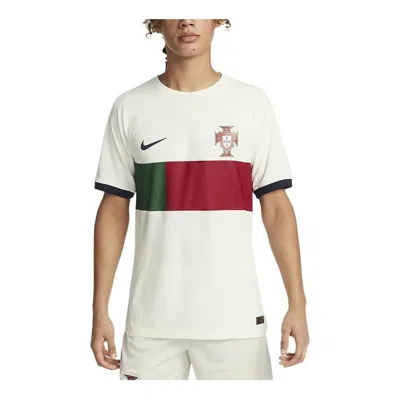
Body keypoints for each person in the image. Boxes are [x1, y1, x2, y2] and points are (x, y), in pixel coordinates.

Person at [91, 19, 309, 380]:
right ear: (156, 23)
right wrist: (100, 310)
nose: (187, 20)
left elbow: (276, 209)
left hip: (235, 320)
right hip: (151, 323)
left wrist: (297, 304)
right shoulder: (130, 107)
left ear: (218, 19)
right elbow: (113, 210)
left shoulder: (251, 103)